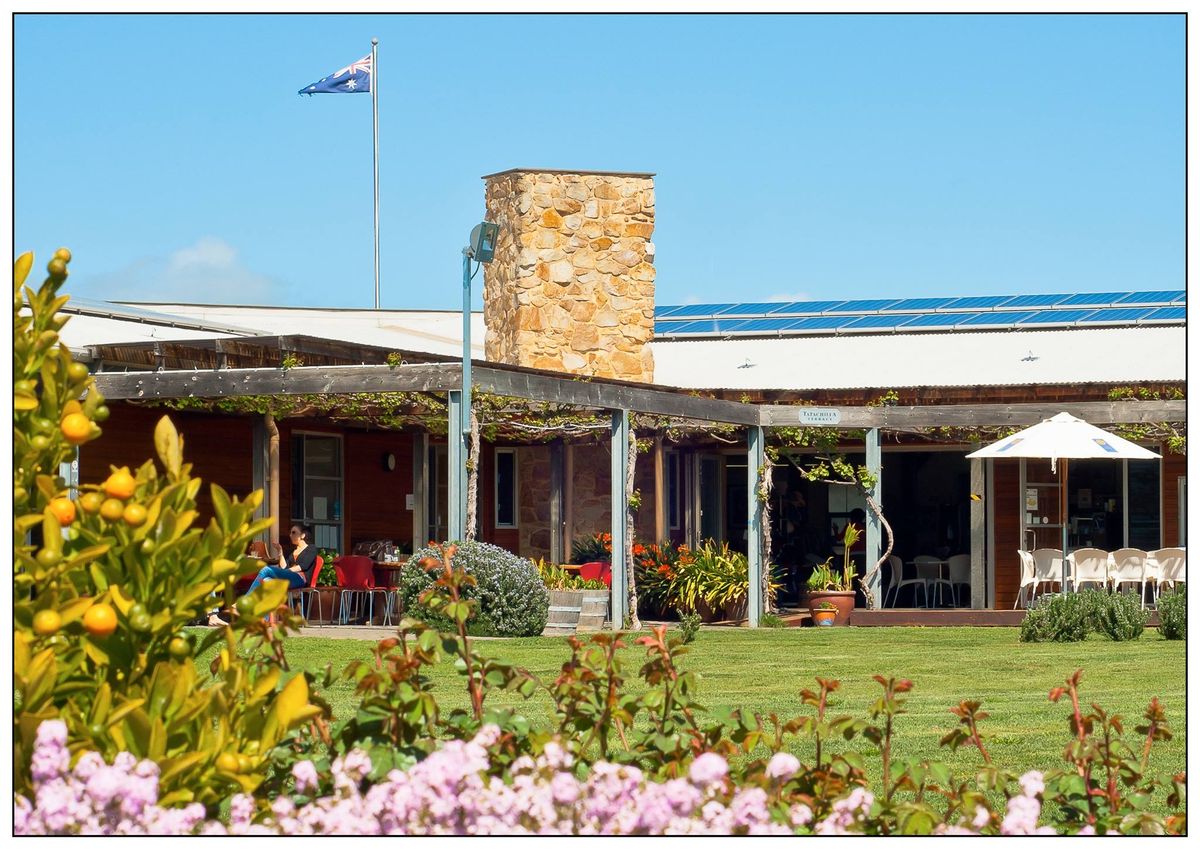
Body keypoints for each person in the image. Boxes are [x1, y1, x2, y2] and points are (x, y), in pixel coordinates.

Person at [207, 524, 318, 626]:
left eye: (294, 532)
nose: (290, 535)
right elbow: (284, 567)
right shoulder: (291, 551)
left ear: (302, 535)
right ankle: (264, 620)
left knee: (265, 569)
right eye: (290, 532)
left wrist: (285, 572)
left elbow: (302, 567)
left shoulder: (311, 549)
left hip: (300, 578)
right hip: (288, 577)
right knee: (266, 581)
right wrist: (280, 552)